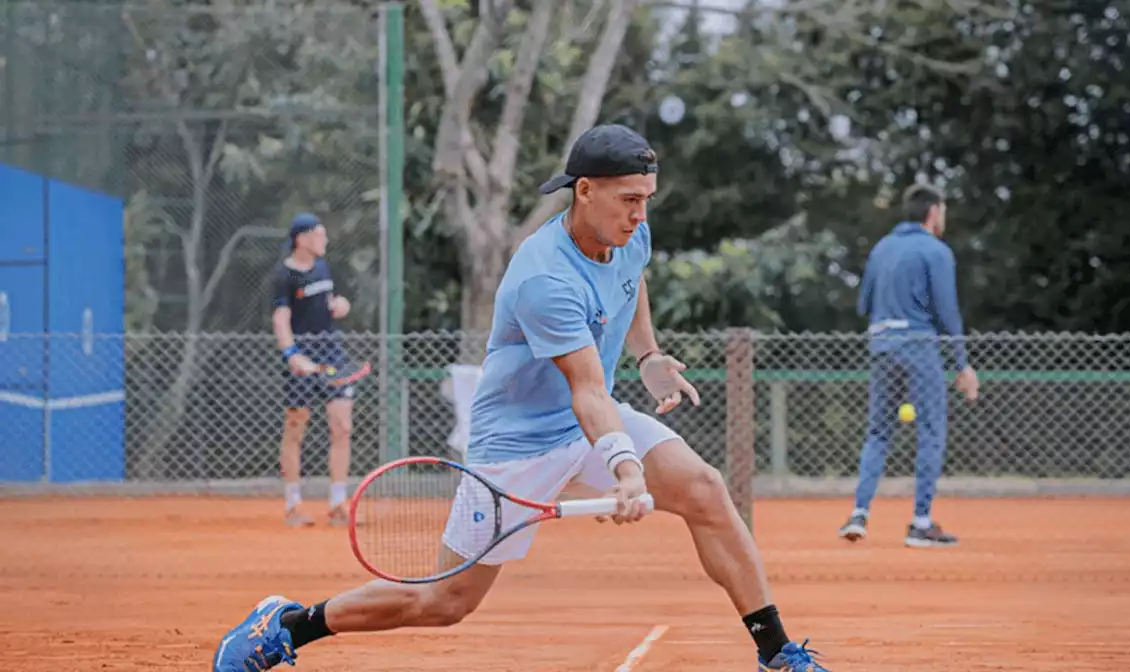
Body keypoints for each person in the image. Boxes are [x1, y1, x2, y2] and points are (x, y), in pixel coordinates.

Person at [213, 125, 832, 672]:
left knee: (705, 489)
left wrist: (648, 356)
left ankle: (776, 652)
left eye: (646, 200)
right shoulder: (545, 278)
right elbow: (587, 389)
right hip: (518, 446)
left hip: (590, 423)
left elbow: (630, 280)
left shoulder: (628, 233)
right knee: (443, 603)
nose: (640, 215)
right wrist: (623, 467)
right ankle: (286, 626)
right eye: (629, 200)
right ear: (584, 190)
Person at [836, 184, 980, 549]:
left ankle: (859, 513)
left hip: (881, 344)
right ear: (933, 212)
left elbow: (864, 304)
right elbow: (947, 311)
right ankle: (920, 522)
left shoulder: (882, 247)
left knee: (878, 432)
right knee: (931, 430)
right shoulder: (936, 250)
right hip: (918, 344)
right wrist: (962, 364)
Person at [270, 213, 358, 529]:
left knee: (342, 426)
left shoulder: (323, 267)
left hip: (331, 350)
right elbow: (281, 319)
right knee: (296, 426)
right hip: (301, 353)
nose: (326, 239)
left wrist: (340, 305)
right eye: (320, 234)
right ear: (302, 238)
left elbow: (329, 301)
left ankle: (338, 503)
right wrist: (292, 355)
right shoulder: (284, 275)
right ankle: (293, 505)